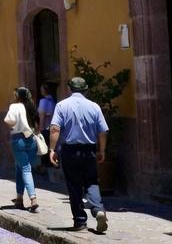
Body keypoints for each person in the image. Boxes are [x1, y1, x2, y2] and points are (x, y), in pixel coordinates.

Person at [48, 77, 110, 233]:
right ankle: (98, 209)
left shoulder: (62, 105)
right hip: (89, 149)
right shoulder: (94, 106)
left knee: (74, 185)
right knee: (91, 182)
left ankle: (80, 221)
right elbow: (102, 131)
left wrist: (52, 149)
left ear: (69, 89)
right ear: (86, 89)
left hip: (69, 150)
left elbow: (55, 128)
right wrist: (101, 150)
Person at [3, 86, 41, 212]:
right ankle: (19, 198)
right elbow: (37, 125)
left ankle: (33, 199)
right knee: (19, 167)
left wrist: (15, 125)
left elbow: (9, 120)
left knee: (25, 168)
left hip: (18, 140)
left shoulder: (15, 106)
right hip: (31, 139)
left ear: (17, 96)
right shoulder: (31, 106)